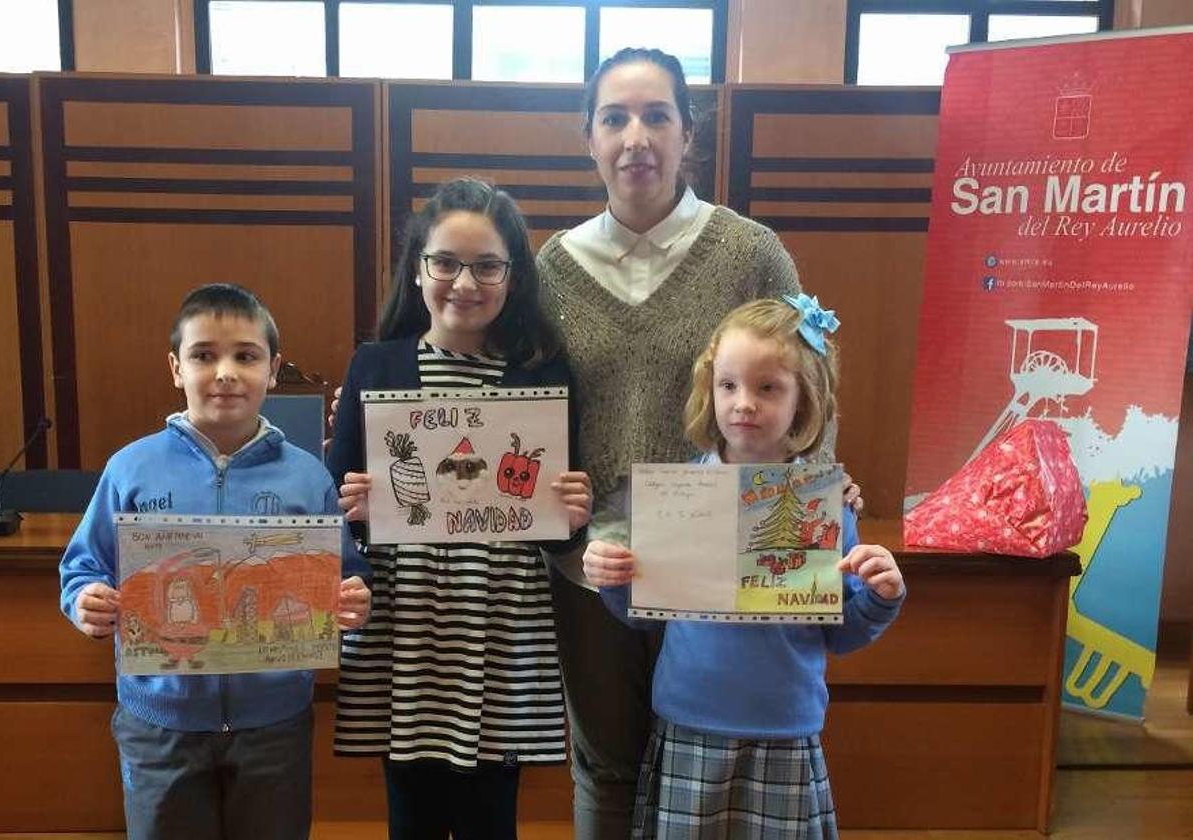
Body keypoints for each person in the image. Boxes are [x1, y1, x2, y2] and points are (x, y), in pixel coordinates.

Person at [533, 47, 861, 837]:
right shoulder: (551, 265)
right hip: (598, 564)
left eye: (657, 116)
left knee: (714, 762)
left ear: (689, 134)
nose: (635, 136)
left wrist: (818, 484)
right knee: (607, 763)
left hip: (731, 560)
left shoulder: (749, 250)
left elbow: (807, 373)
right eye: (614, 118)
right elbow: (531, 409)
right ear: (589, 138)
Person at [327, 177, 593, 839]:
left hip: (499, 634)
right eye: (444, 262)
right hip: (407, 633)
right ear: (418, 269)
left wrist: (572, 517)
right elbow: (334, 513)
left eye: (487, 266)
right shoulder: (376, 367)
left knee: (489, 818)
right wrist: (351, 504)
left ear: (513, 275)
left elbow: (555, 534)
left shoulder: (543, 372)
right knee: (410, 815)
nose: (464, 283)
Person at [58, 283, 372, 840]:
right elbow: (84, 566)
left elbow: (345, 572)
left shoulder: (307, 476)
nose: (225, 371)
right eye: (204, 355)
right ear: (176, 368)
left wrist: (352, 600)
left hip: (274, 722)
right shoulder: (130, 469)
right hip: (161, 722)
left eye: (245, 356)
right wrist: (85, 601)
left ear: (273, 370)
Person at [583, 296, 904, 838]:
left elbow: (840, 633)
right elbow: (646, 616)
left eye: (768, 387)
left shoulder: (824, 504)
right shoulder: (679, 494)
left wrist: (880, 598)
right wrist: (613, 582)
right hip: (689, 721)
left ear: (803, 399)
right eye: (728, 385)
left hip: (784, 727)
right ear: (710, 391)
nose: (744, 403)